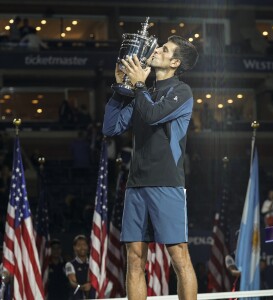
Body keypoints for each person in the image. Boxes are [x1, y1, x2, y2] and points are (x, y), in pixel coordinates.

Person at [102, 35, 199, 299]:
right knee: (134, 259)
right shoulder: (143, 91)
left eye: (164, 50)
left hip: (167, 183)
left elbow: (153, 114)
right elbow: (110, 128)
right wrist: (120, 88)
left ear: (175, 62)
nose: (156, 50)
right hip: (136, 184)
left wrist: (137, 86)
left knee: (179, 256)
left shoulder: (182, 92)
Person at [65, 235, 95, 299]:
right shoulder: (70, 264)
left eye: (84, 245)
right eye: (79, 245)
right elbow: (72, 282)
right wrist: (81, 287)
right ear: (74, 247)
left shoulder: (93, 264)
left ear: (88, 246)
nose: (82, 247)